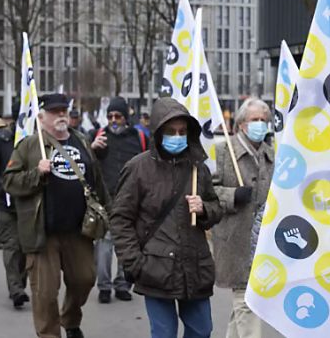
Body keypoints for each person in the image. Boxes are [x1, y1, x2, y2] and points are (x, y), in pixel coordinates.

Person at [111, 97, 222, 338]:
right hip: (155, 268)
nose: (177, 136)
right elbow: (120, 219)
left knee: (202, 330)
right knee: (164, 333)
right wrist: (135, 263)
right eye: (171, 131)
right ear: (158, 133)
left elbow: (215, 207)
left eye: (182, 131)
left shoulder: (197, 167)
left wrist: (204, 209)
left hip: (195, 266)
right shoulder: (138, 168)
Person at [4, 93, 108, 338]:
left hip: (78, 231)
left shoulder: (82, 141)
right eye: (55, 111)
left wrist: (108, 211)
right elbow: (9, 182)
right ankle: (49, 334)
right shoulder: (29, 145)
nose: (61, 115)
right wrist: (36, 174)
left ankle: (70, 319)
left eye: (64, 110)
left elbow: (97, 181)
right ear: (41, 117)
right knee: (45, 294)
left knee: (84, 280)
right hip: (43, 234)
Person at [212, 98, 273, 338]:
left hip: (263, 241)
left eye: (263, 120)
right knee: (246, 302)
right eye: (254, 120)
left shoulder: (271, 155)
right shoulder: (222, 151)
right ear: (241, 124)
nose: (259, 124)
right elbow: (205, 192)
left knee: (244, 303)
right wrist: (232, 195)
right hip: (234, 241)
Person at [90, 97, 147, 304]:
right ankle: (104, 286)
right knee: (104, 246)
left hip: (132, 200)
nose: (114, 120)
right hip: (106, 200)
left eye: (118, 116)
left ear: (126, 118)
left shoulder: (138, 137)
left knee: (127, 244)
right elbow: (84, 164)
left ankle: (123, 284)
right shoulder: (98, 136)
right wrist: (92, 148)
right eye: (110, 116)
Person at [0, 116, 29, 308]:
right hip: (6, 203)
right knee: (11, 245)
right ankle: (15, 288)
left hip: (30, 204)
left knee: (26, 247)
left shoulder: (38, 141)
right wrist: (3, 187)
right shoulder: (0, 141)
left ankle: (20, 282)